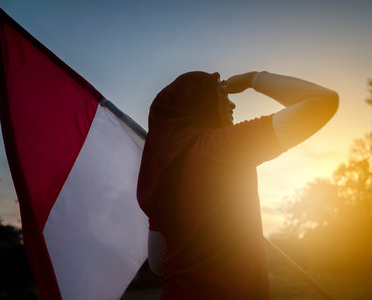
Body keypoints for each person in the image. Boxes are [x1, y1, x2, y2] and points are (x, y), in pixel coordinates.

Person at [137, 71, 338, 299]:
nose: (232, 104)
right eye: (222, 93)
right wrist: (253, 79)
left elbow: (156, 263)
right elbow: (323, 101)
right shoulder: (223, 147)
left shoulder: (161, 175)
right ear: (198, 102)